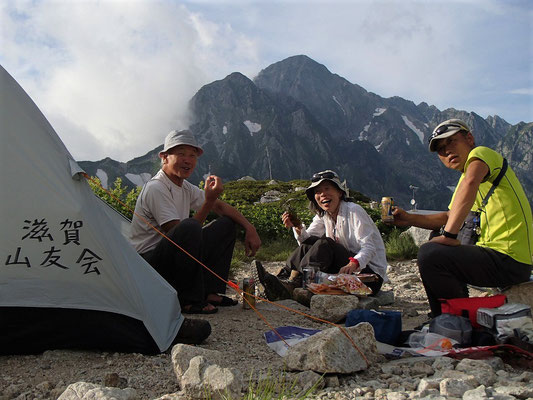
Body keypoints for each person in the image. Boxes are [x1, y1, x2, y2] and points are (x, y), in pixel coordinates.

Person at [390, 119, 532, 318]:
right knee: (433, 245)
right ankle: (447, 318)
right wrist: (409, 218)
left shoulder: (482, 154)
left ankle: (454, 321)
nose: (447, 151)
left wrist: (449, 235)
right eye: (441, 149)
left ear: (470, 139)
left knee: (431, 254)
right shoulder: (464, 180)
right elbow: (450, 216)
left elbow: (471, 182)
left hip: (509, 257)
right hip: (493, 256)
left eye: (451, 142)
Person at [129, 129, 261, 315]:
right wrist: (207, 202)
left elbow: (221, 207)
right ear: (164, 157)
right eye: (181, 154)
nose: (187, 160)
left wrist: (250, 227)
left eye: (192, 155)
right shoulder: (156, 188)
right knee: (189, 226)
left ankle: (209, 291)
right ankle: (188, 300)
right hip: (150, 264)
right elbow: (179, 235)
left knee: (226, 224)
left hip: (172, 258)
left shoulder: (184, 187)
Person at [256, 170, 388, 300]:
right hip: (345, 270)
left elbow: (369, 247)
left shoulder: (353, 210)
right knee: (310, 242)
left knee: (325, 243)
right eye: (318, 191)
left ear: (340, 193)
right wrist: (297, 226)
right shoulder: (324, 215)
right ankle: (283, 278)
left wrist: (353, 264)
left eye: (327, 189)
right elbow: (307, 242)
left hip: (369, 277)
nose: (323, 194)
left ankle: (297, 282)